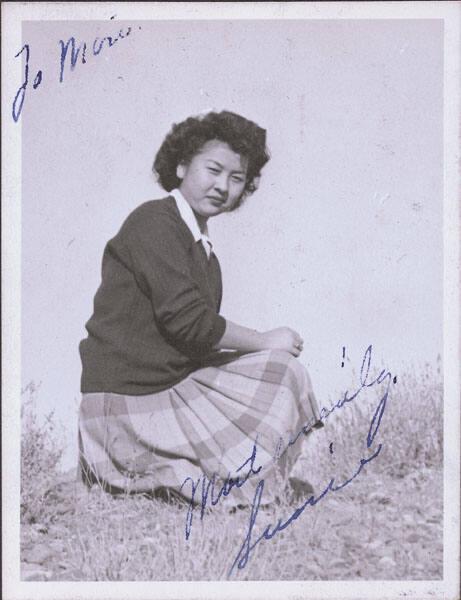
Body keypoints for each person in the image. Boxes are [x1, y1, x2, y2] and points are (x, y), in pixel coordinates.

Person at [78, 110, 323, 507]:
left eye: (237, 178)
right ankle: (159, 475)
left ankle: (232, 478)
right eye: (213, 169)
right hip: (125, 404)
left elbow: (192, 341)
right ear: (180, 166)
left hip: (163, 390)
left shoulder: (202, 251)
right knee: (275, 362)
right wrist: (263, 340)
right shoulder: (153, 222)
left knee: (283, 372)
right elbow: (190, 323)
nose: (223, 186)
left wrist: (261, 351)